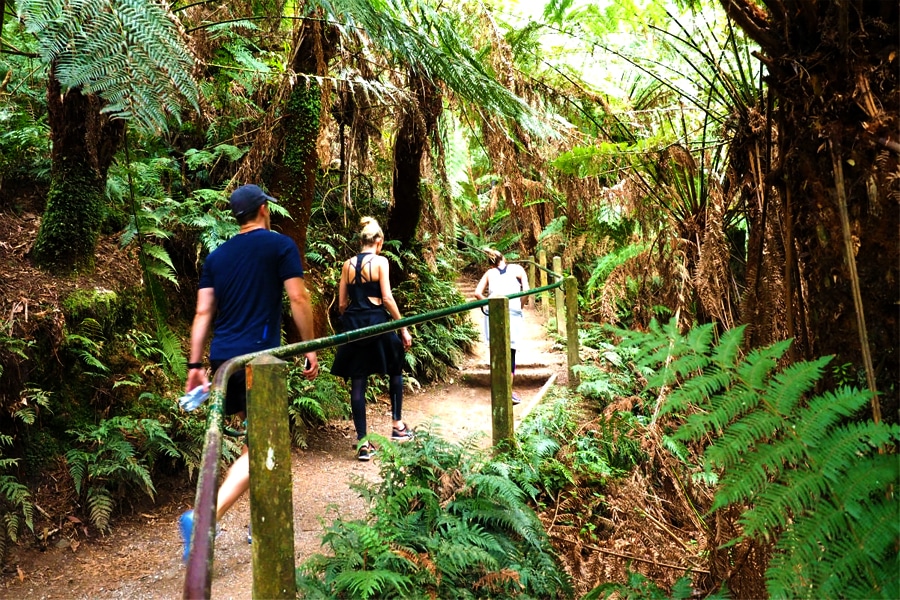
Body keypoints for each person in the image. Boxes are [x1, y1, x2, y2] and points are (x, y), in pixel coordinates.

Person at [178, 184, 319, 563]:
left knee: (250, 441)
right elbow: (298, 298)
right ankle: (204, 517)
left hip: (224, 361)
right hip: (259, 361)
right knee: (262, 446)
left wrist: (194, 367)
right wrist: (309, 346)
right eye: (268, 206)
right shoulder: (280, 246)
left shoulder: (217, 257)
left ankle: (260, 521)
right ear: (261, 209)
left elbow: (203, 313)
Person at [331, 217, 413, 461]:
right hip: (377, 322)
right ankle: (397, 425)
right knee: (396, 364)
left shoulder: (346, 265)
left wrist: (352, 317)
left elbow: (342, 303)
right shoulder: (381, 262)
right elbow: (387, 298)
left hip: (354, 324)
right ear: (379, 242)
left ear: (361, 241)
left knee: (358, 380)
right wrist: (403, 327)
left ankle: (363, 443)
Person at [473, 249, 530, 405]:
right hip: (513, 312)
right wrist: (520, 305)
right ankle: (507, 393)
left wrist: (489, 305)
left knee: (497, 350)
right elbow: (526, 291)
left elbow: (477, 293)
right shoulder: (518, 269)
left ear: (490, 262)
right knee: (510, 352)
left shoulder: (489, 273)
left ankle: (499, 390)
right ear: (503, 257)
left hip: (493, 313)